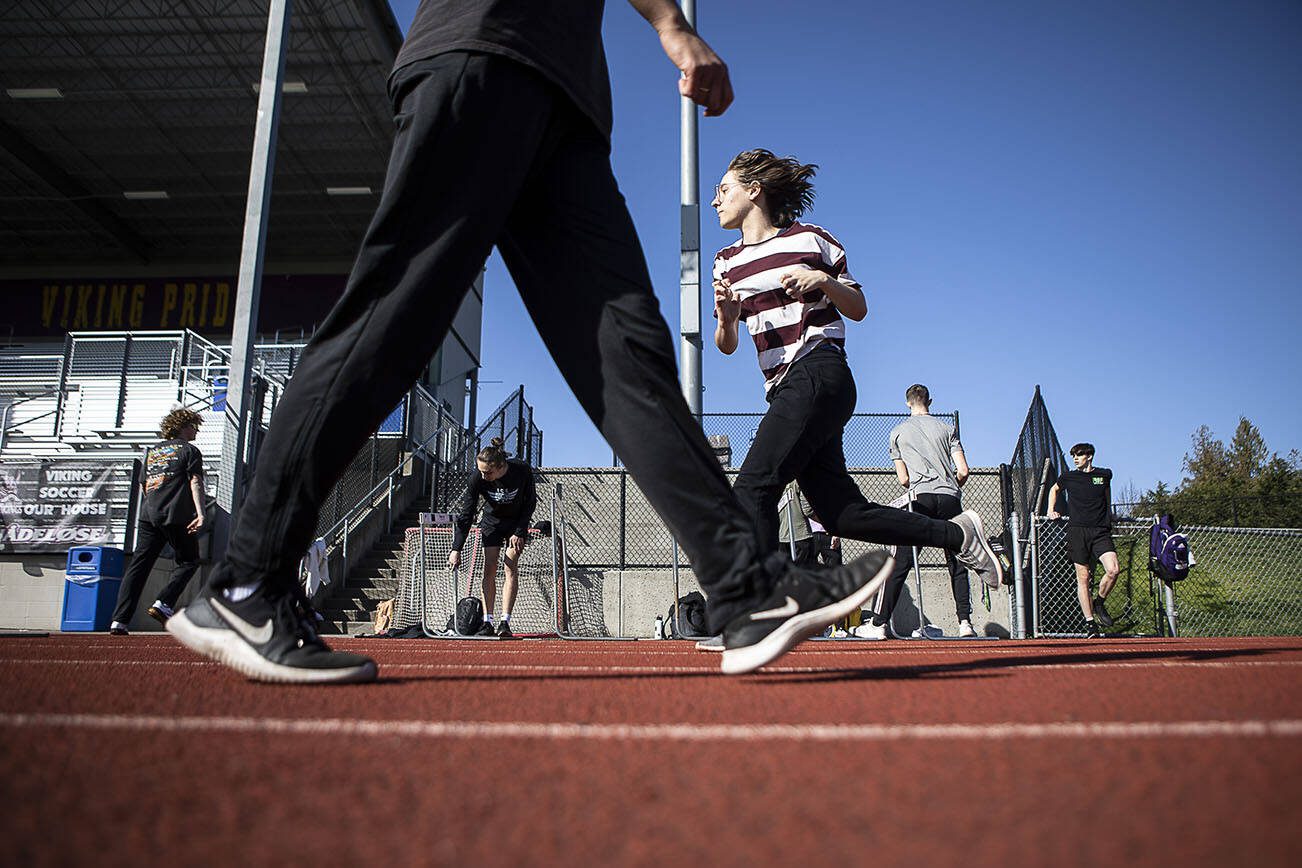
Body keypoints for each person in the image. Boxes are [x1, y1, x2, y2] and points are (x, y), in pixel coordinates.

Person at [166, 0, 893, 682]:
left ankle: (744, 588)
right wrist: (670, 21)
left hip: (565, 106)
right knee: (394, 316)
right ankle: (246, 581)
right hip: (483, 49)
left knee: (627, 349)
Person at [710, 149, 1003, 603]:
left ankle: (757, 611)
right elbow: (726, 343)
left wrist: (822, 282)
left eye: (722, 190)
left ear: (754, 190)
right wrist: (727, 319)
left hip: (820, 369)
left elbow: (859, 308)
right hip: (785, 389)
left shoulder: (812, 239)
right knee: (842, 514)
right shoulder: (725, 261)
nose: (715, 201)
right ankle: (958, 534)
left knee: (754, 486)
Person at [855, 384, 976, 639]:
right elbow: (963, 470)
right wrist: (950, 484)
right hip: (950, 497)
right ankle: (965, 622)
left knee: (902, 560)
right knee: (958, 559)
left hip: (920, 498)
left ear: (907, 403)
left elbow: (903, 479)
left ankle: (879, 624)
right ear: (929, 401)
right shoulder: (947, 428)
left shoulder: (898, 433)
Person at [108, 408, 207, 635]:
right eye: (194, 426)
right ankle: (163, 603)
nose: (196, 431)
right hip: (176, 513)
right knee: (189, 561)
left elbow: (144, 486)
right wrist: (200, 514)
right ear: (184, 426)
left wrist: (154, 507)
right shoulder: (189, 451)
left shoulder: (152, 452)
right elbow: (195, 482)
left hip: (148, 515)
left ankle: (119, 621)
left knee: (139, 566)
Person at [448, 438, 536, 638]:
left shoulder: (521, 470)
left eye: (487, 472)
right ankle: (488, 621)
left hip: (515, 523)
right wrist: (456, 548)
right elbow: (466, 514)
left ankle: (505, 622)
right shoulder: (477, 478)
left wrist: (520, 530)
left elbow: (530, 502)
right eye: (480, 471)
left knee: (509, 565)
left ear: (500, 467)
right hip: (492, 523)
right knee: (490, 567)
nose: (483, 475)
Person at [1047, 443, 1118, 638]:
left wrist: (1110, 513)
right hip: (1077, 531)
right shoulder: (1069, 477)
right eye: (1073, 456)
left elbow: (1106, 495)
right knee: (1083, 577)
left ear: (1090, 456)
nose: (1076, 459)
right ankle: (1090, 623)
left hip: (1101, 531)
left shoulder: (1104, 475)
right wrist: (1050, 510)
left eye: (1079, 455)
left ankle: (1099, 602)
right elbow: (1054, 489)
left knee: (1113, 570)